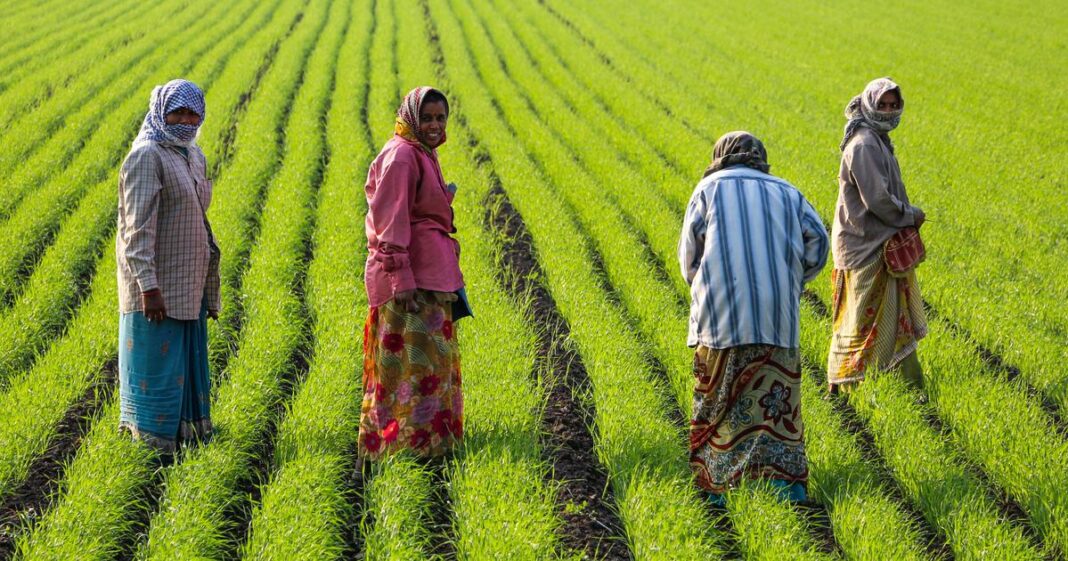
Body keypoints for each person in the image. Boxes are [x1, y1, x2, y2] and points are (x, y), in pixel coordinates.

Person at [679, 131, 829, 505]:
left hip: (721, 317)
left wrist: (705, 284)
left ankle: (718, 487)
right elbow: (819, 243)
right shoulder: (788, 192)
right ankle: (783, 488)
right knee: (773, 405)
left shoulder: (708, 189)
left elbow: (688, 258)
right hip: (777, 317)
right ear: (760, 157)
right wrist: (791, 280)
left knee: (719, 402)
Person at [359, 86, 469, 461]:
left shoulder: (422, 151)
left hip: (431, 277)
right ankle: (394, 448)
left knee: (429, 366)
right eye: (427, 118)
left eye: (441, 118)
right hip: (411, 284)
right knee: (403, 369)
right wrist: (401, 279)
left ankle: (427, 447)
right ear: (411, 118)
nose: (435, 125)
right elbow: (389, 223)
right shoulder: (403, 157)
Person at [116, 79, 221, 456]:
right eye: (178, 113)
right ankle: (150, 450)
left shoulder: (193, 155)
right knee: (157, 369)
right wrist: (148, 287)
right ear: (161, 113)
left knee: (184, 363)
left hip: (187, 281)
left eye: (194, 114)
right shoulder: (147, 156)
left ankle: (187, 442)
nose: (187, 121)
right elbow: (136, 230)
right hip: (157, 286)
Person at [826, 77, 928, 394]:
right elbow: (878, 201)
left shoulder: (876, 138)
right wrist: (910, 214)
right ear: (869, 104)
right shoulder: (865, 144)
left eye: (893, 105)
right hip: (866, 247)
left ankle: (907, 388)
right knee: (859, 323)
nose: (888, 111)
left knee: (890, 320)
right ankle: (844, 386)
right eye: (881, 104)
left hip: (875, 244)